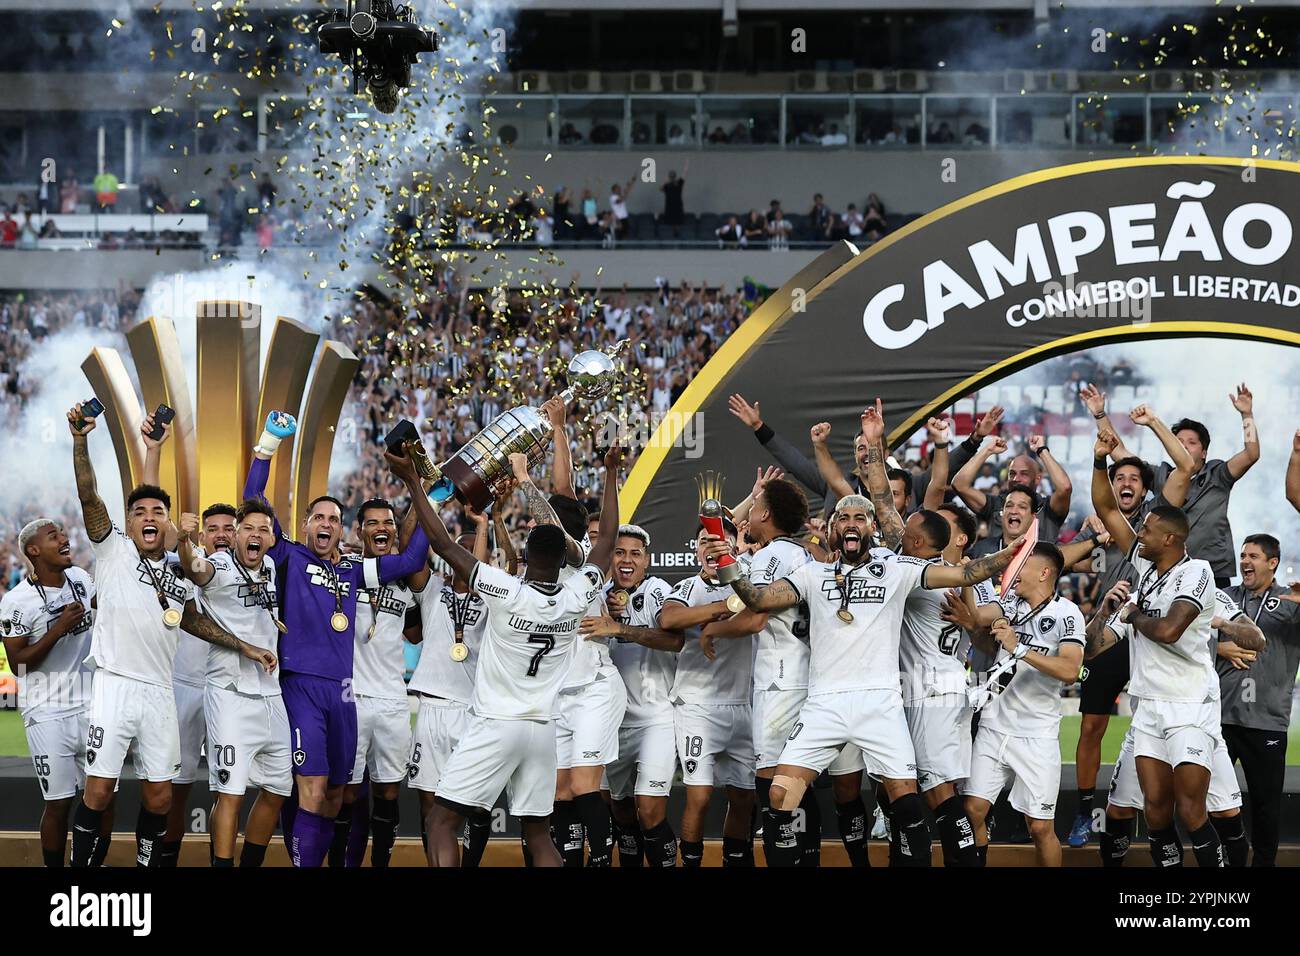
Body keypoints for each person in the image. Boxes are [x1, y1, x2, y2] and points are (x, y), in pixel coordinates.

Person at [720, 398, 1024, 868]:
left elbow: (961, 573)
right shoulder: (812, 575)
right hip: (824, 701)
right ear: (831, 527)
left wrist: (1011, 555)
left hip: (882, 700)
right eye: (843, 516)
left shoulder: (896, 567)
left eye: (861, 518)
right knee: (779, 796)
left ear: (870, 528)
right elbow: (758, 601)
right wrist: (728, 567)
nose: (853, 522)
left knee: (907, 803)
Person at [64, 402, 272, 868]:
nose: (149, 516)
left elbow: (195, 621)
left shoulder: (178, 575)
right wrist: (80, 442)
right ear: (130, 521)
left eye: (159, 510)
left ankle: (147, 867)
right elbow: (89, 496)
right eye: (140, 511)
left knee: (160, 799)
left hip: (159, 692)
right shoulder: (113, 549)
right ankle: (78, 875)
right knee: (98, 790)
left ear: (170, 522)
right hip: (115, 684)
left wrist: (246, 646)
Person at [403, 445, 620, 867]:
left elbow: (444, 546)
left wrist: (413, 482)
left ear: (524, 559)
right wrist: (611, 473)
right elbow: (606, 539)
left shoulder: (507, 592)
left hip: (495, 724)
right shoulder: (576, 596)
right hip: (541, 730)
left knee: (442, 823)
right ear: (563, 562)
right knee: (539, 833)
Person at [242, 410, 432, 868]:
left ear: (342, 531)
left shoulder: (352, 570)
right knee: (309, 788)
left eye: (334, 519)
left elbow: (407, 562)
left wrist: (430, 498)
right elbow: (253, 500)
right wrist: (266, 448)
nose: (327, 523)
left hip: (344, 694)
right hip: (302, 685)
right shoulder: (289, 556)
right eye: (319, 517)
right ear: (306, 525)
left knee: (334, 795)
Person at [1092, 428, 1225, 867]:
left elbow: (1168, 631)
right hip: (1148, 704)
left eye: (1147, 529)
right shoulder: (1146, 568)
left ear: (1170, 539)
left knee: (1191, 810)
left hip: (1188, 703)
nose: (1139, 533)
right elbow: (1106, 508)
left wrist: (1131, 616)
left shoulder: (1197, 573)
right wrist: (1099, 461)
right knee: (1154, 811)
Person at [1067, 402, 1195, 848]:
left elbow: (1184, 465)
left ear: (1146, 491)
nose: (1124, 483)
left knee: (1156, 727)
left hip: (1153, 636)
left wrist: (1151, 422)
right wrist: (1100, 458)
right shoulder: (1127, 536)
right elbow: (1101, 500)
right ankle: (1086, 814)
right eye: (1119, 477)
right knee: (1091, 726)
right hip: (1114, 631)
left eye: (1133, 479)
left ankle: (1167, 814)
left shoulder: (1158, 524)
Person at [1088, 581, 1263, 867]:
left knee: (1224, 813)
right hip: (1148, 718)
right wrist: (1103, 613)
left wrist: (1218, 623)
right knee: (1121, 809)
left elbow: (1256, 638)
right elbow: (1090, 650)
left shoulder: (1208, 593)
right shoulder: (1137, 598)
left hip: (1196, 718)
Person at [744, 476, 867, 867]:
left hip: (781, 679)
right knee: (823, 784)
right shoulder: (810, 554)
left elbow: (756, 613)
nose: (749, 510)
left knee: (773, 785)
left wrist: (712, 625)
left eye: (755, 503)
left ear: (764, 514)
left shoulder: (768, 557)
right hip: (823, 679)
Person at [947, 543, 1085, 867]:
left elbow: (1069, 670)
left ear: (1044, 572)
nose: (1014, 573)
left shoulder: (1067, 614)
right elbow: (975, 619)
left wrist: (1019, 647)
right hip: (995, 726)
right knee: (972, 811)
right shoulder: (1010, 602)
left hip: (1037, 733)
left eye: (1021, 566)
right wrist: (968, 582)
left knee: (1039, 827)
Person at [173, 501, 291, 867]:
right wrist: (183, 540)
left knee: (278, 789)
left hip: (271, 693)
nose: (255, 535)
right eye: (249, 528)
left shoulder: (269, 565)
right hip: (229, 693)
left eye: (263, 529)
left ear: (272, 537)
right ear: (238, 534)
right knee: (230, 793)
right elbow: (197, 570)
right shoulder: (222, 565)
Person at [0, 518, 111, 867]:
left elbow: (108, 612)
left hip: (92, 704)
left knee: (104, 795)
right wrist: (58, 629)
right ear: (34, 551)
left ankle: (89, 868)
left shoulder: (79, 579)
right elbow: (18, 662)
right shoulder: (17, 602)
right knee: (59, 802)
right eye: (54, 536)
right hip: (46, 711)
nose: (64, 539)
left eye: (63, 533)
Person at [659, 517, 761, 867]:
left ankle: (735, 860)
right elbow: (668, 620)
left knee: (744, 798)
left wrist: (724, 610)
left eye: (717, 542)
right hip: (697, 706)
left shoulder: (748, 583)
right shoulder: (687, 588)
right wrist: (723, 609)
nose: (710, 548)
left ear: (733, 548)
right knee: (699, 797)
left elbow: (757, 610)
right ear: (696, 549)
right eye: (704, 541)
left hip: (743, 704)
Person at [1084, 383, 1259, 587]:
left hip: (1213, 572)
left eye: (1191, 443)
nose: (1184, 446)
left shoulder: (1218, 474)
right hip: (1170, 571)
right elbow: (1117, 452)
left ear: (1204, 453)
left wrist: (1247, 415)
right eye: (1179, 441)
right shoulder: (1162, 475)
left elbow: (1251, 454)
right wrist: (1100, 415)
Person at [580, 524, 682, 867]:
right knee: (621, 810)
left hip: (656, 720)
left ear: (647, 561)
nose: (626, 560)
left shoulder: (657, 591)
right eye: (619, 552)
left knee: (650, 810)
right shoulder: (599, 596)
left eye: (635, 554)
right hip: (612, 723)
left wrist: (621, 629)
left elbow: (676, 641)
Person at [336, 498, 425, 868]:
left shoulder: (405, 584)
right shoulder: (345, 569)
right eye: (371, 523)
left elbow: (417, 635)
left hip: (392, 700)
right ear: (359, 532)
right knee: (347, 793)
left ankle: (380, 864)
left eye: (387, 522)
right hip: (350, 697)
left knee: (389, 790)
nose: (381, 529)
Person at [406, 513, 495, 866]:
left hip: (473, 713)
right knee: (430, 805)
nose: (465, 556)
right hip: (432, 709)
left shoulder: (492, 602)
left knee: (477, 804)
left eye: (474, 551)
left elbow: (487, 572)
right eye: (460, 549)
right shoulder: (431, 590)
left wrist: (486, 526)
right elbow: (409, 545)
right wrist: (431, 503)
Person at [163, 502, 238, 867]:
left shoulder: (258, 572)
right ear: (203, 536)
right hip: (185, 688)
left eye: (229, 527)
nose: (222, 534)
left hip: (230, 690)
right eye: (214, 529)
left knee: (227, 792)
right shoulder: (181, 570)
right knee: (176, 792)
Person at [1220, 534, 1300, 866]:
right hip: (1220, 718)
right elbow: (1190, 641)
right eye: (1242, 555)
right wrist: (1219, 647)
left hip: (1266, 721)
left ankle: (1263, 864)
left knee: (1266, 806)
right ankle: (1226, 860)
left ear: (1273, 563)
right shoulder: (1225, 598)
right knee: (1214, 801)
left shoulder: (1291, 601)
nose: (1245, 562)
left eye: (1253, 556)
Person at [953, 433, 1073, 544]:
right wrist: (987, 450)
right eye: (1012, 473)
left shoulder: (1048, 508)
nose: (1016, 478)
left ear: (1037, 479)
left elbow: (1065, 487)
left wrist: (1042, 451)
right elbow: (959, 484)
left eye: (1024, 474)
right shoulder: (996, 504)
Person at [660, 163, 687, 231]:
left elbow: (684, 174)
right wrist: (666, 182)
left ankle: (677, 233)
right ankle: (672, 233)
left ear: (675, 177)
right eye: (670, 176)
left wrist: (686, 165)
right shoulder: (667, 185)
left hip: (677, 207)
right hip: (669, 207)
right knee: (669, 224)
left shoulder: (678, 183)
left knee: (678, 223)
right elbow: (660, 189)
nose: (671, 178)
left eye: (672, 176)